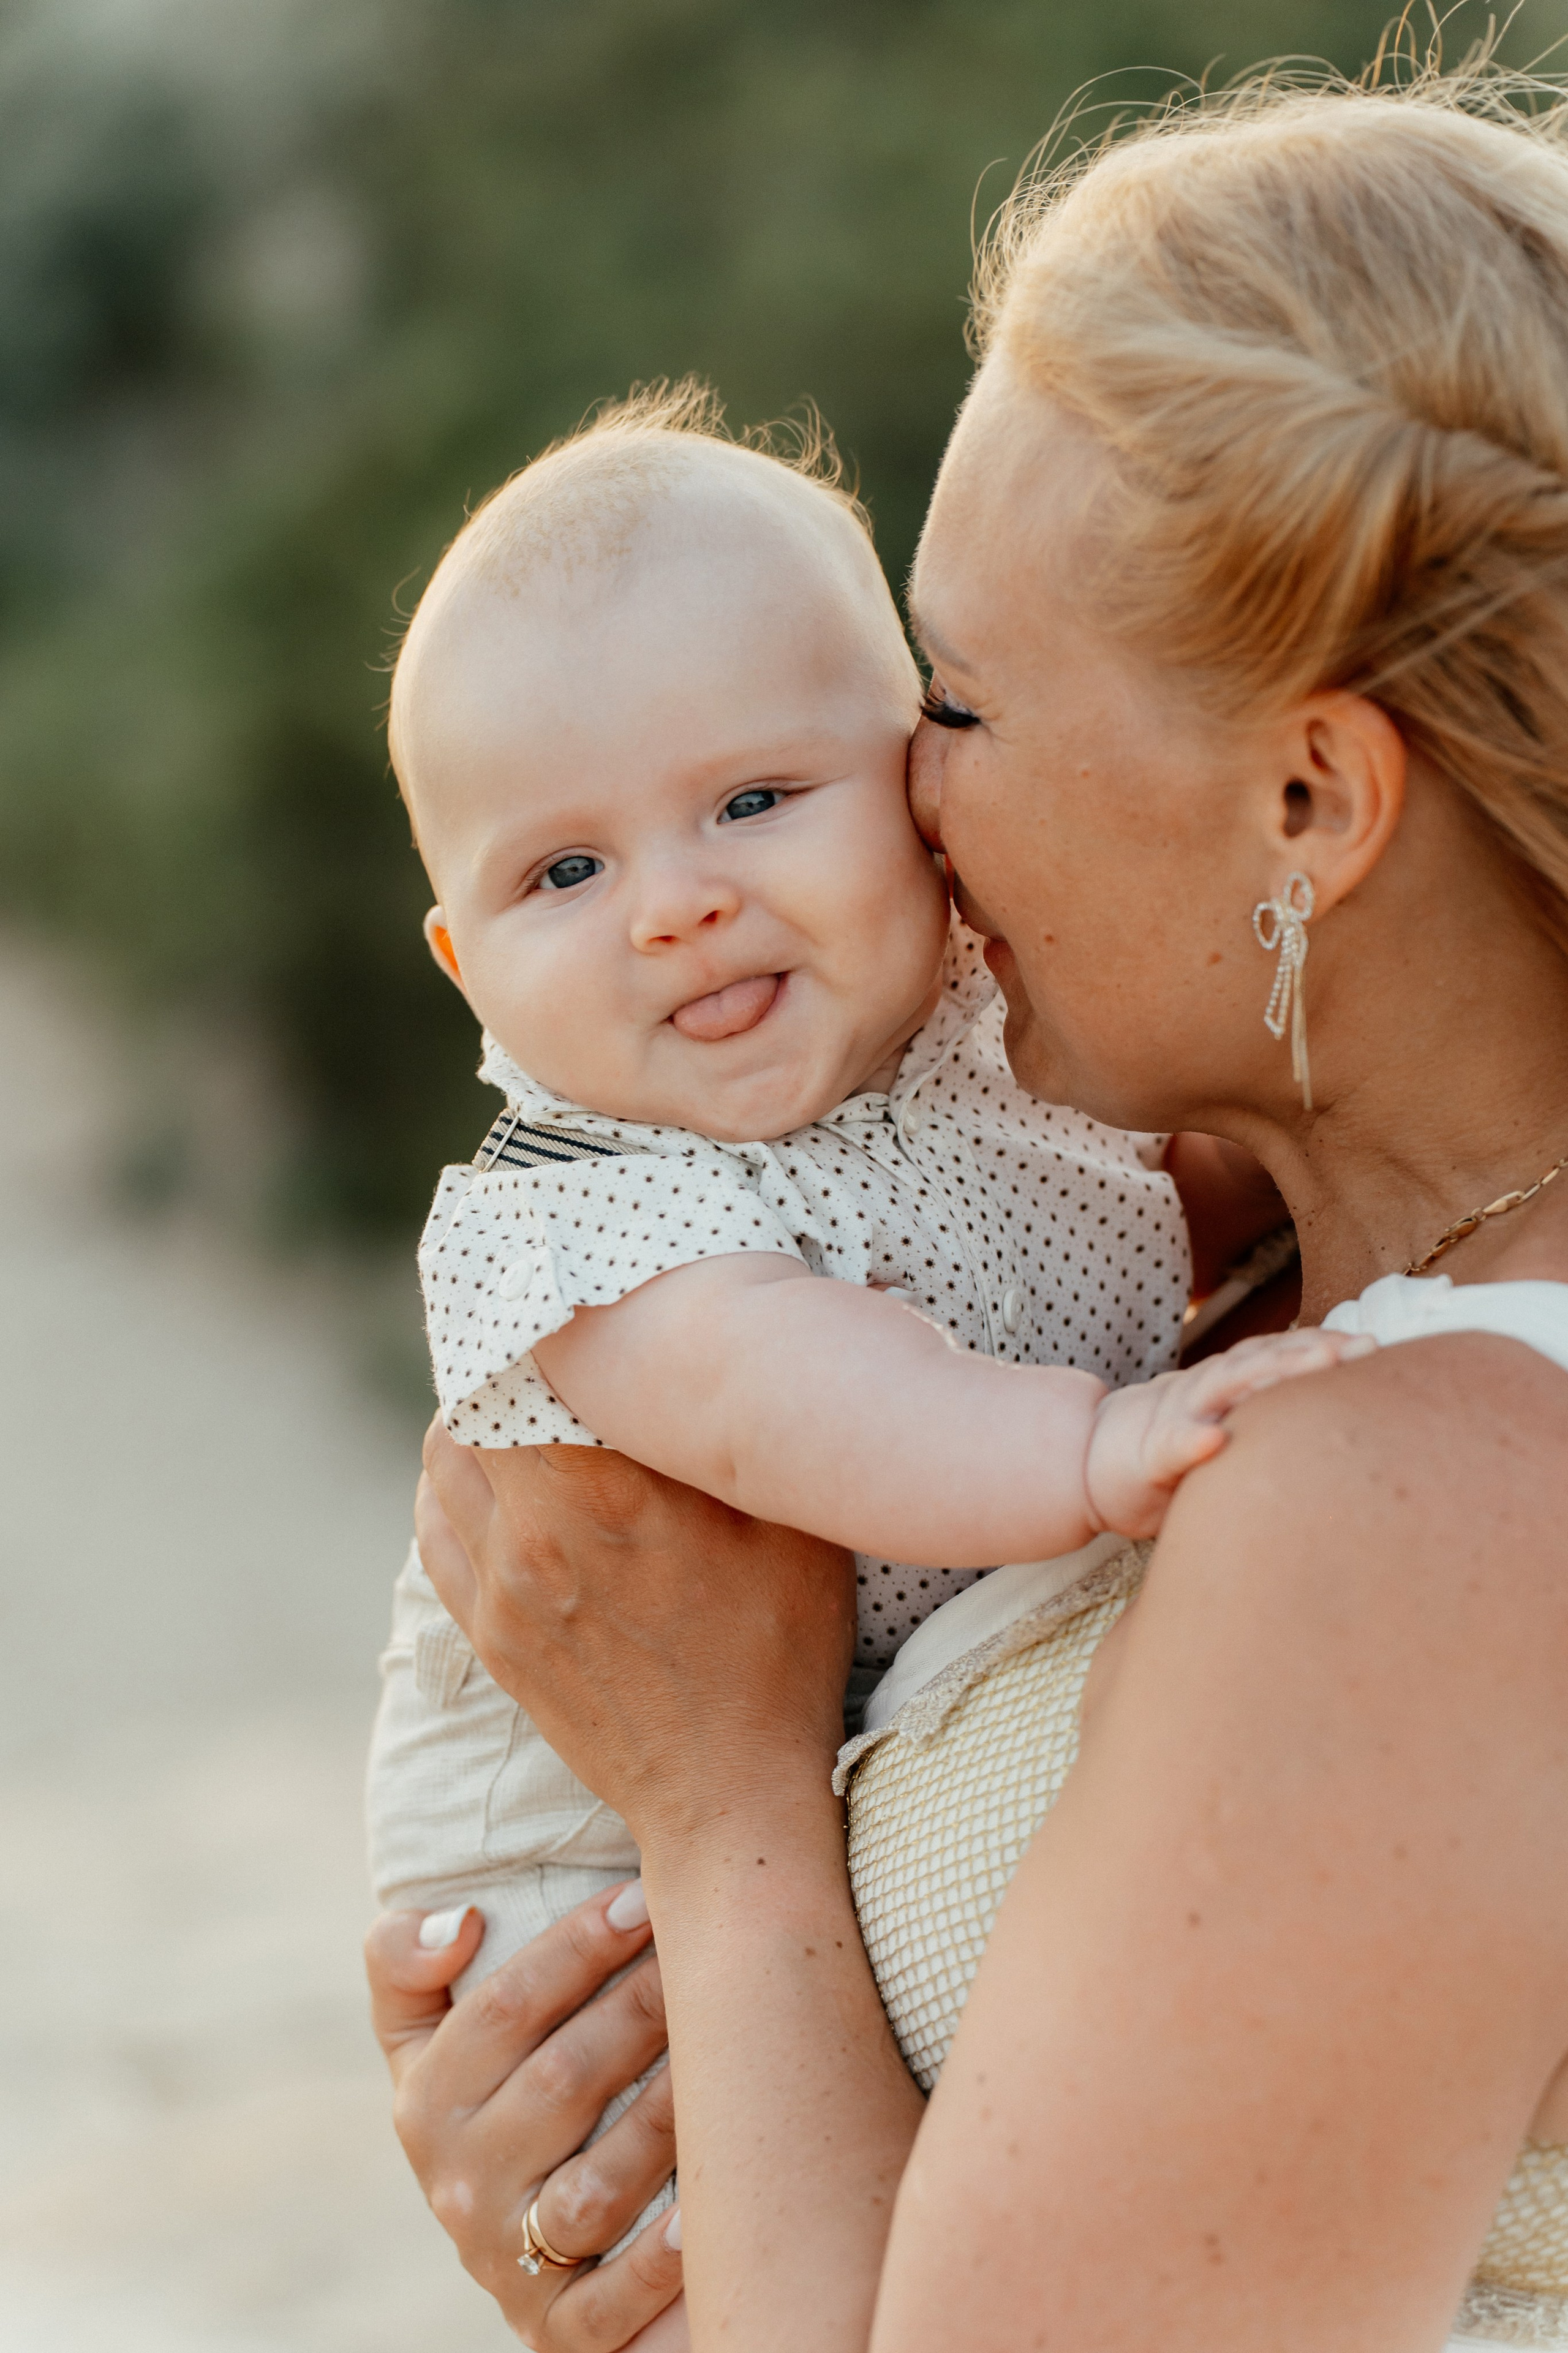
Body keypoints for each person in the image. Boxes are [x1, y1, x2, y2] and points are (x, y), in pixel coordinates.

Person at [367, 62, 1568, 2353]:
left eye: (962, 699)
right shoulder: (1261, 1279)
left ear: (1311, 798)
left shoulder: (1422, 1503)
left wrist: (722, 1836)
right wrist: (608, 2193)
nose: (905, 791)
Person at [369, 377, 1340, 2071]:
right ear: (466, 965)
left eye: (753, 801)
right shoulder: (586, 1222)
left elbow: (1137, 1195)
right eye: (562, 876)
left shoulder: (979, 1031)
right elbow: (816, 1401)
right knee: (655, 2209)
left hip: (812, 1767)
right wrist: (1101, 1447)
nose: (677, 906)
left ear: (916, 777)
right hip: (575, 1894)